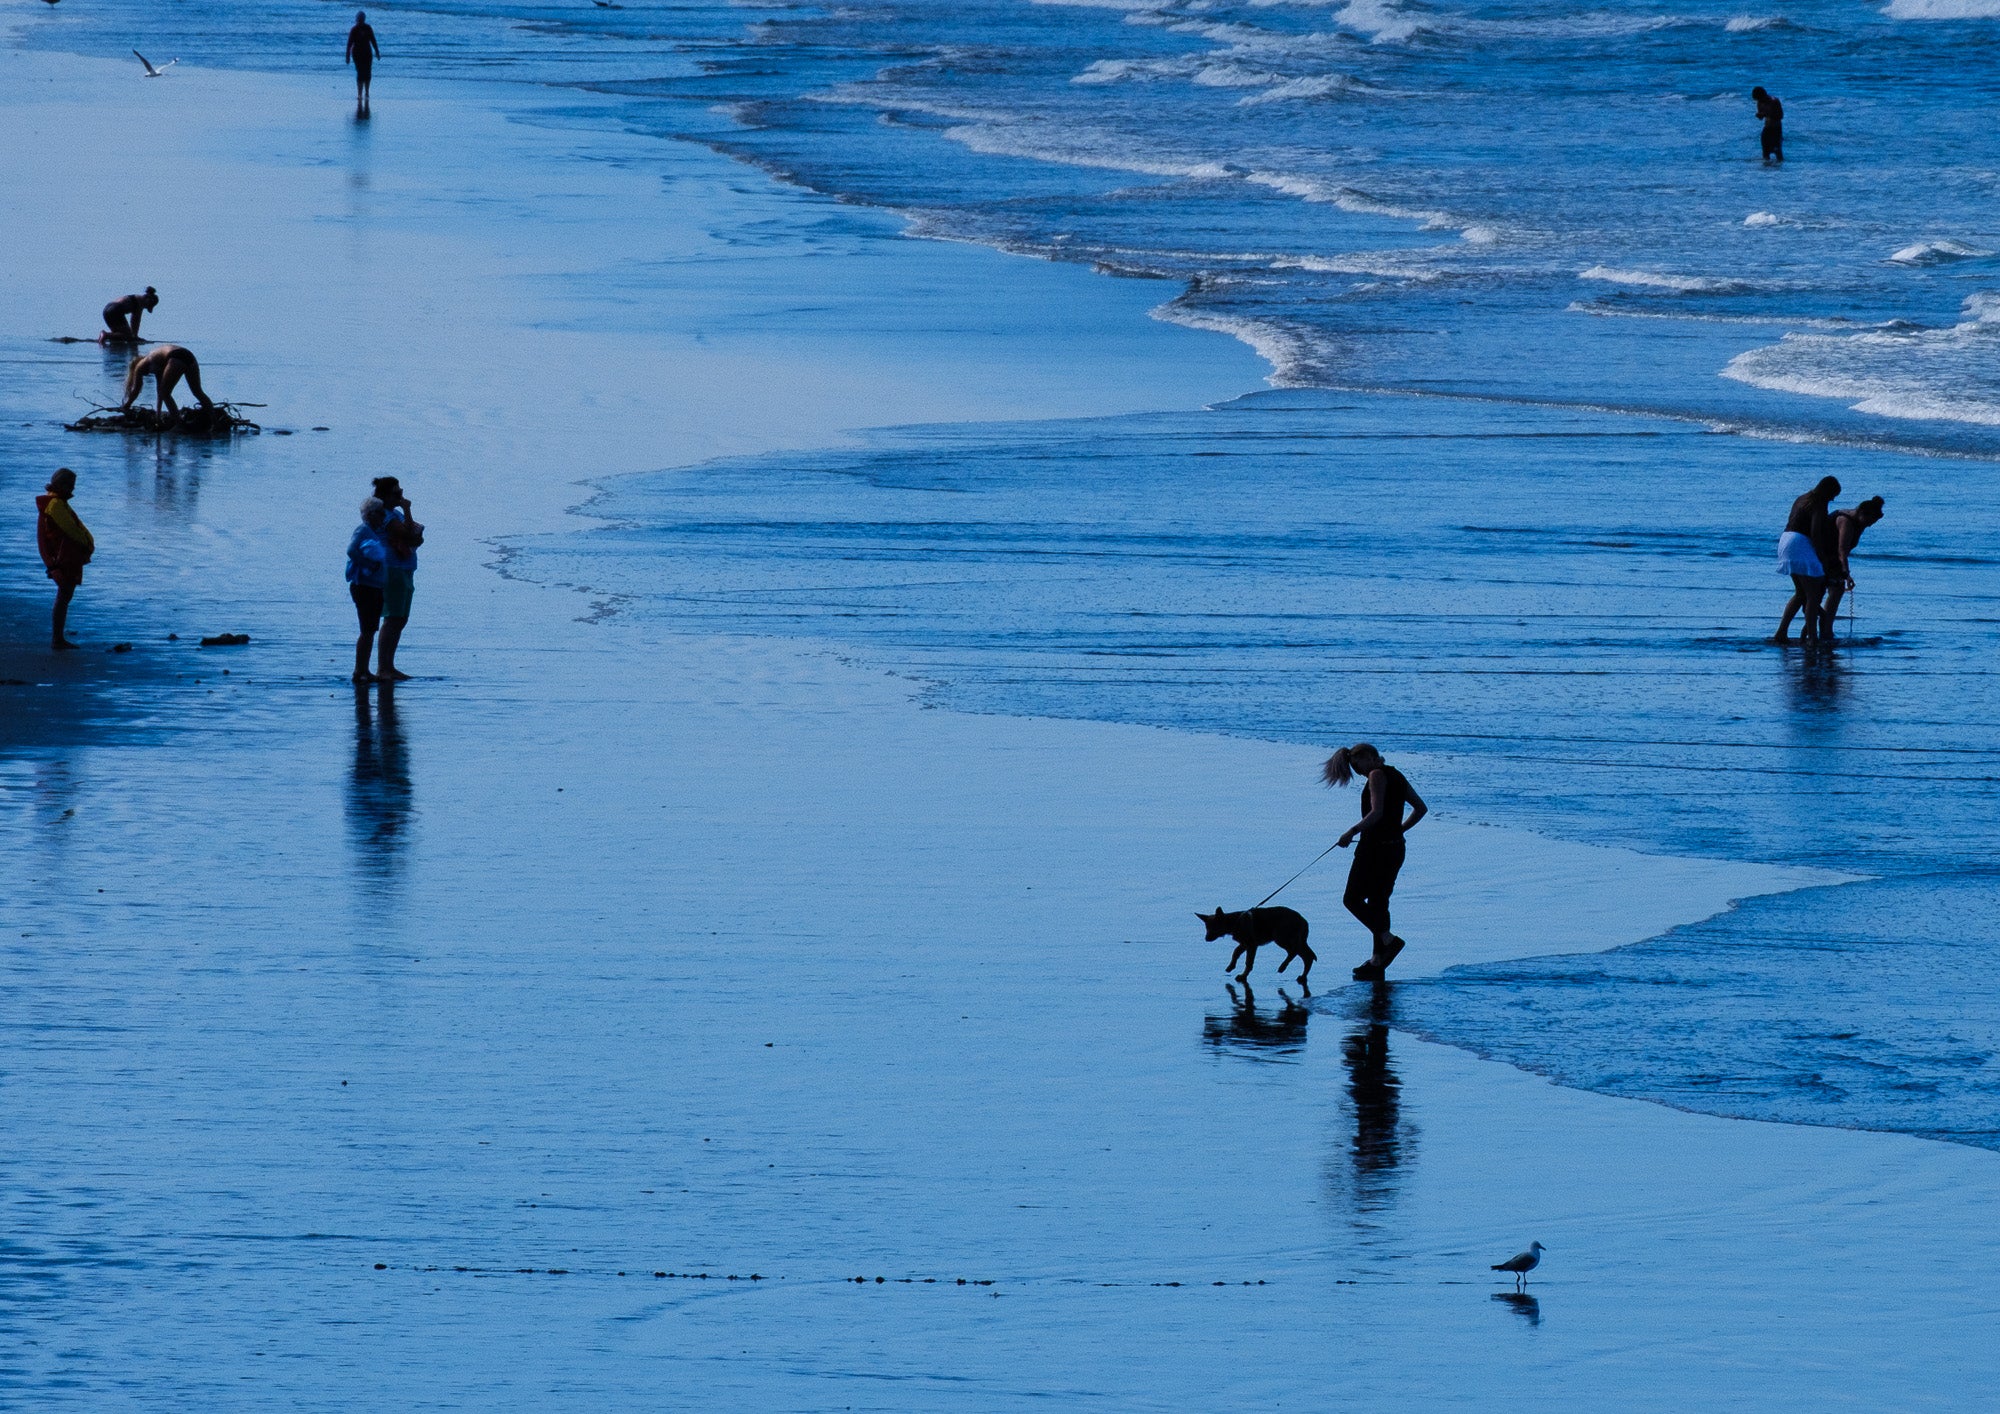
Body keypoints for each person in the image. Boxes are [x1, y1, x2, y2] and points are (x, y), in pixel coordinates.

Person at [1324, 742, 1427, 981]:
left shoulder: (1376, 775)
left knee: (1352, 899)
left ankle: (1389, 940)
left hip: (1374, 850)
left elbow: (1377, 812)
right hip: (1395, 848)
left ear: (1370, 757)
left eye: (1357, 765)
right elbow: (1420, 809)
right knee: (1379, 902)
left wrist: (1351, 831)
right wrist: (1398, 830)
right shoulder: (1396, 774)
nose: (1357, 771)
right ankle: (1377, 961)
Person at [1774, 475, 1841, 643]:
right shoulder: (1819, 503)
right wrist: (1822, 557)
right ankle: (1812, 637)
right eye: (1833, 495)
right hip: (1800, 542)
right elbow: (1815, 533)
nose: (1833, 499)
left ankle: (1781, 633)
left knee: (1801, 593)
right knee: (1813, 594)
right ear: (1827, 492)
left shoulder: (1802, 498)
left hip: (1786, 540)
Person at [36, 468, 94, 651]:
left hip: (62, 557)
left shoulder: (54, 503)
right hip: (63, 558)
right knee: (64, 596)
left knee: (64, 596)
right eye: (71, 485)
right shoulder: (55, 505)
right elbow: (71, 530)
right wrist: (87, 543)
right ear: (62, 485)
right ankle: (57, 639)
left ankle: (58, 638)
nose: (73, 489)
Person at [371, 476, 423, 681]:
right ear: (385, 496)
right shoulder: (384, 515)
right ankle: (383, 667)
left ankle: (389, 665)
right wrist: (408, 510)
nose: (401, 497)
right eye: (397, 493)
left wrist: (408, 521)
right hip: (392, 568)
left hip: (405, 567)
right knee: (392, 617)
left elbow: (416, 538)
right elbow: (409, 535)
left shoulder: (396, 514)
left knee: (400, 618)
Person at [1818, 495, 1885, 636]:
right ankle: (1824, 629)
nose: (1870, 525)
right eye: (1869, 521)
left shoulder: (1860, 522)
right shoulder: (1845, 521)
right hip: (1821, 556)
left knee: (1836, 590)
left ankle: (1825, 628)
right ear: (1862, 513)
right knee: (1829, 591)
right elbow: (1842, 551)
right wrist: (1846, 574)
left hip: (1831, 558)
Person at [347, 497, 391, 682]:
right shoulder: (363, 530)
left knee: (370, 629)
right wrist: (369, 565)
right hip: (364, 586)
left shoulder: (373, 532)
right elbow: (351, 550)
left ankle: (364, 669)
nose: (384, 517)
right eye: (381, 513)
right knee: (367, 629)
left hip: (374, 586)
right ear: (371, 514)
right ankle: (360, 671)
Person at [120, 344, 214, 416]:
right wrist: (158, 413)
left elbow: (136, 389)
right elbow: (159, 389)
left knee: (166, 394)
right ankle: (214, 421)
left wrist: (127, 405)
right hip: (188, 355)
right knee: (197, 391)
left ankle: (179, 425)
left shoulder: (139, 365)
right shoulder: (156, 361)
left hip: (175, 356)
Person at [346, 11, 379, 109]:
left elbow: (373, 40)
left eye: (362, 19)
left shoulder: (368, 28)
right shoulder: (354, 29)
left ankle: (367, 92)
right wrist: (347, 56)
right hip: (357, 54)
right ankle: (359, 94)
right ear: (356, 19)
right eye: (359, 19)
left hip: (367, 53)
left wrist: (377, 52)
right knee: (360, 73)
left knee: (368, 72)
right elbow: (349, 44)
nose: (360, 21)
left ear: (364, 19)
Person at [1752, 86, 1783, 164]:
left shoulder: (1774, 101)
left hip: (1776, 128)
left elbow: (1780, 116)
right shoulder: (1759, 102)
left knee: (1777, 150)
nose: (1759, 101)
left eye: (1760, 99)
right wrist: (1760, 115)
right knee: (1765, 150)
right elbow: (1761, 117)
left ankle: (1780, 167)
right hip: (1767, 128)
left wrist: (1766, 114)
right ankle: (1766, 167)